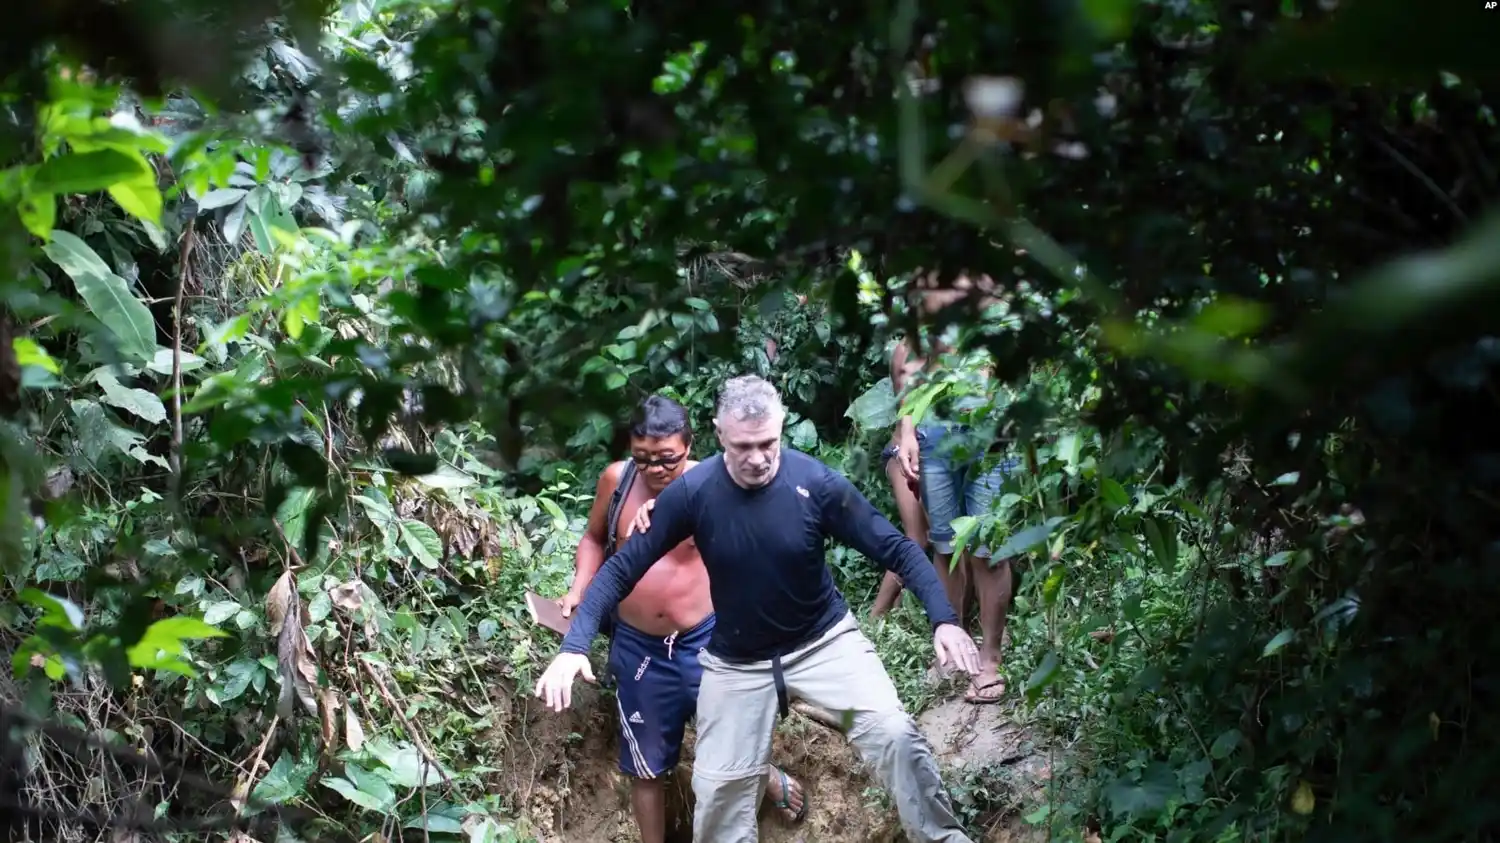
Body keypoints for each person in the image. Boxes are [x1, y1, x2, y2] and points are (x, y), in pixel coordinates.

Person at [537, 375, 982, 843]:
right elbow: (619, 570)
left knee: (894, 735)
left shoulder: (814, 482)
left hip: (824, 645)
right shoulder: (693, 492)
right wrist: (574, 646)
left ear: (781, 428)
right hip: (737, 664)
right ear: (719, 434)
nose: (756, 458)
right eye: (742, 446)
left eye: (767, 443)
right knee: (718, 791)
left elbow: (898, 548)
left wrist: (945, 621)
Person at [557, 395, 806, 843]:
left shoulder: (714, 484)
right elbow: (594, 539)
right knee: (645, 766)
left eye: (666, 458)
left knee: (729, 729)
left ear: (689, 446)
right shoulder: (617, 481)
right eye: (643, 458)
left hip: (705, 637)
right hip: (638, 645)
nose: (654, 469)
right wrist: (579, 588)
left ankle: (765, 773)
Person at [892, 271, 1021, 704]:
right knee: (946, 546)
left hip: (989, 432)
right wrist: (907, 431)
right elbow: (911, 358)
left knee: (986, 549)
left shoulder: (989, 276)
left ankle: (990, 658)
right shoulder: (925, 273)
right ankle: (953, 644)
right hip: (934, 429)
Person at [870, 335, 932, 619]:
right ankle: (876, 616)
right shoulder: (908, 349)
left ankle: (895, 612)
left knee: (931, 537)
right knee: (916, 539)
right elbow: (909, 405)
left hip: (929, 455)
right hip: (903, 453)